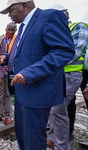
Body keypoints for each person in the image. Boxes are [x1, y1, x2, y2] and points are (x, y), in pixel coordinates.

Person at [0, 0, 75, 149]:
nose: (9, 15)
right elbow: (28, 53)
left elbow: (63, 51)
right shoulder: (23, 27)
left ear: (24, 5)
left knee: (33, 140)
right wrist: (7, 58)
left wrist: (30, 73)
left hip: (37, 91)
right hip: (22, 91)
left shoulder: (49, 17)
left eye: (11, 10)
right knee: (23, 136)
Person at [45, 5, 88, 150]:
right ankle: (52, 139)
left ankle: (61, 145)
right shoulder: (54, 33)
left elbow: (74, 52)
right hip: (56, 74)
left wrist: (50, 62)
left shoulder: (78, 27)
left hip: (70, 75)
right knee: (55, 109)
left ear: (64, 15)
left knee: (57, 110)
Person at [0, 22, 17, 125]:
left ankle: (8, 116)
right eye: (9, 29)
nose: (11, 32)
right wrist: (0, 73)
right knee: (0, 93)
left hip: (11, 71)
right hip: (0, 70)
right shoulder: (1, 40)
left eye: (13, 30)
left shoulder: (17, 40)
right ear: (5, 29)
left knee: (8, 94)